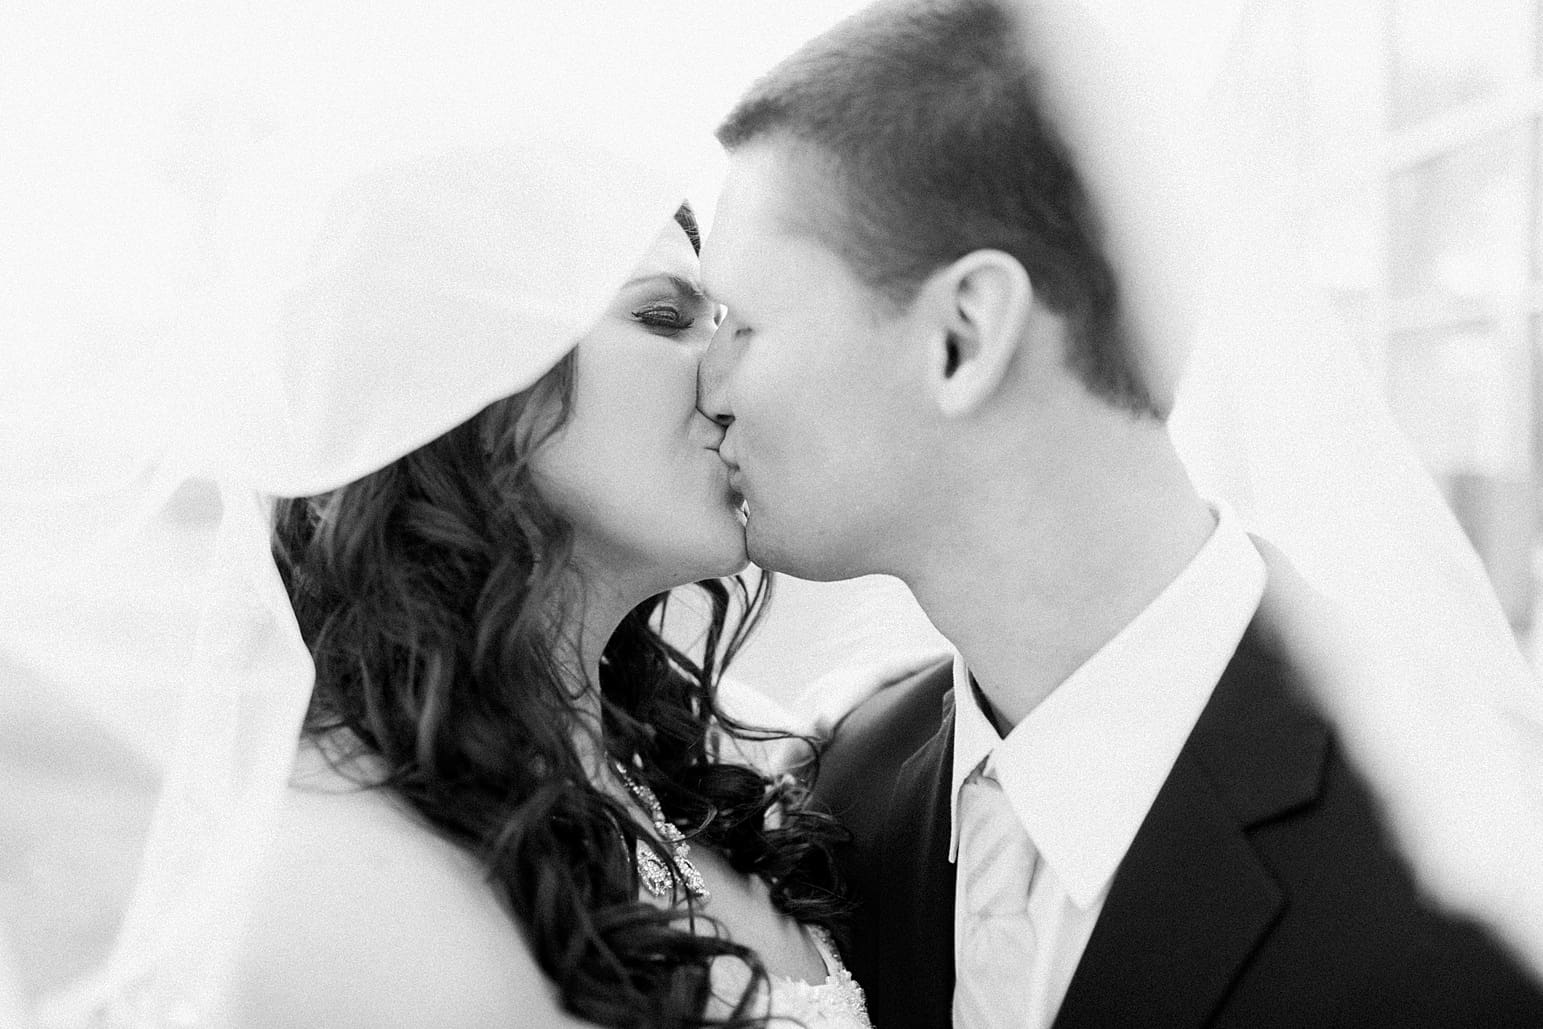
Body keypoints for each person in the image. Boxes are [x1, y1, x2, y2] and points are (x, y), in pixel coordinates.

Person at [696, 0, 1543, 1026]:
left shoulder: (1482, 857)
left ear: (962, 336)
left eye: (741, 323)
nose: (709, 387)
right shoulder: (850, 787)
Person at [229, 154, 874, 1029]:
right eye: (663, 317)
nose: (729, 384)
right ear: (469, 376)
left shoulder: (731, 766)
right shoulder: (336, 863)